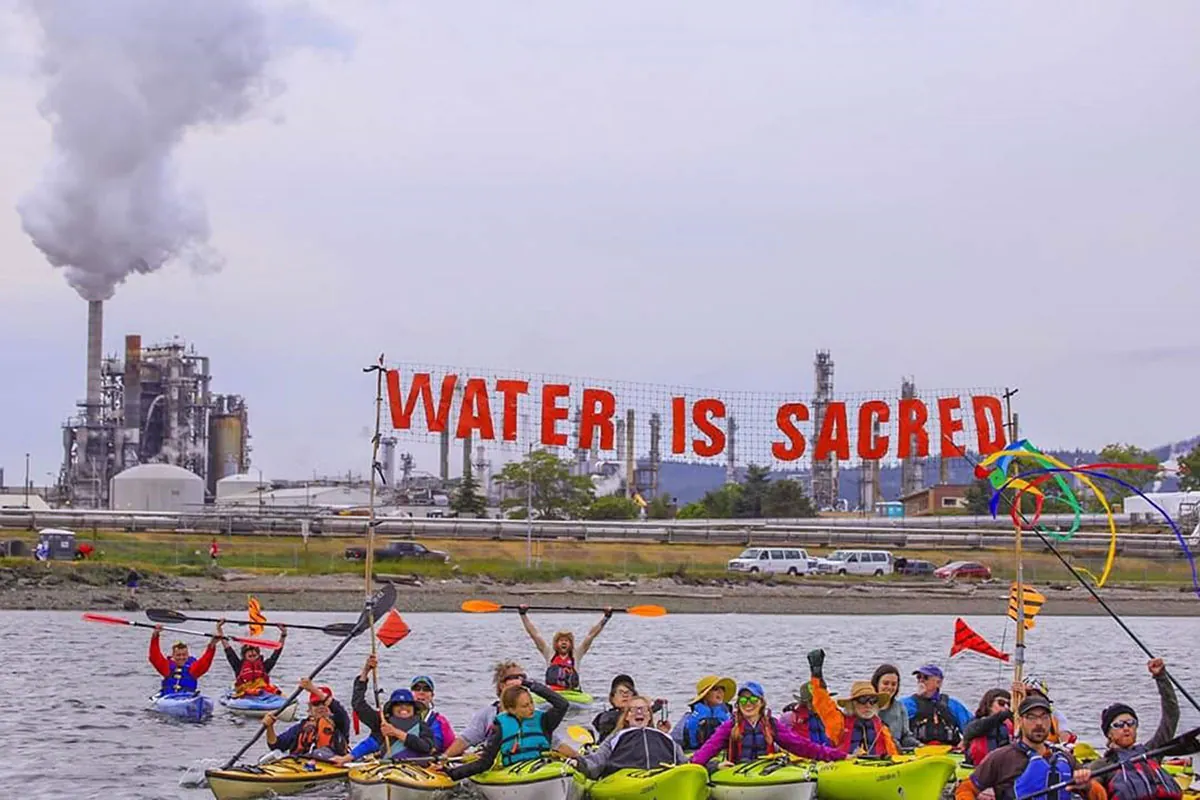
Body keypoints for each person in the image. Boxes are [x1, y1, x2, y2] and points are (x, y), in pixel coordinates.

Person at [955, 695, 1104, 800]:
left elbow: (1100, 796)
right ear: (1020, 722)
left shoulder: (1065, 758)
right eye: (1032, 717)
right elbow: (965, 789)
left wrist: (1087, 787)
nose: (1039, 723)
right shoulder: (1001, 757)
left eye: (1044, 717)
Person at [1085, 658, 1181, 800]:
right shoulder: (1101, 766)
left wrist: (1161, 677)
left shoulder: (1152, 751)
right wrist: (1084, 783)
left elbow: (1171, 715)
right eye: (1118, 725)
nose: (1126, 728)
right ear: (1109, 734)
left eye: (1131, 723)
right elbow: (1088, 792)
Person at [689, 682, 846, 767]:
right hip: (738, 774)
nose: (748, 704)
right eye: (743, 700)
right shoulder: (730, 727)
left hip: (767, 771)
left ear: (762, 702)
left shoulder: (771, 725)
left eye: (753, 700)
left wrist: (840, 756)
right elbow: (706, 751)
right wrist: (714, 766)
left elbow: (802, 746)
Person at [439, 679, 570, 781]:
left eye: (531, 703)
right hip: (513, 772)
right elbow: (485, 763)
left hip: (543, 767)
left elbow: (562, 704)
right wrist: (451, 773)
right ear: (512, 709)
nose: (531, 708)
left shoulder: (544, 721)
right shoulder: (501, 727)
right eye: (525, 706)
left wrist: (528, 684)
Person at [348, 661, 456, 758]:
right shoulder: (384, 721)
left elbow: (428, 747)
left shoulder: (431, 724)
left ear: (432, 695)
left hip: (423, 768)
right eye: (417, 689)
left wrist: (396, 733)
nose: (403, 707)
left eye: (426, 689)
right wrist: (366, 671)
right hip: (388, 769)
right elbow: (358, 705)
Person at [572, 694, 689, 778]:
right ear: (627, 717)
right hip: (626, 777)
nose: (639, 712)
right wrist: (580, 763)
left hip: (661, 775)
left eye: (644, 709)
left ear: (649, 716)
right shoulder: (616, 737)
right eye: (633, 709)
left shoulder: (664, 737)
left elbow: (683, 762)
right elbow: (597, 761)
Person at [441, 660, 530, 759]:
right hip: (495, 763)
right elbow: (465, 740)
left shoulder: (534, 711)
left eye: (523, 678)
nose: (520, 681)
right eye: (514, 678)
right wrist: (444, 757)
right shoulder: (487, 714)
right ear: (502, 685)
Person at [518, 603, 611, 691]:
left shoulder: (577, 654)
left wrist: (606, 617)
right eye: (561, 640)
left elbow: (591, 635)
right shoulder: (549, 653)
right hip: (553, 692)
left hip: (572, 693)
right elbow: (534, 634)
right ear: (556, 643)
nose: (564, 643)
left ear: (571, 644)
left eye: (566, 641)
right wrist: (523, 614)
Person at [263, 679, 351, 761]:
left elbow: (340, 711)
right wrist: (269, 727)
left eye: (324, 703)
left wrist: (313, 689)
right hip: (301, 766)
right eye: (316, 704)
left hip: (330, 764)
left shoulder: (339, 723)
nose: (321, 707)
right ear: (310, 709)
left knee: (317, 753)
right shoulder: (301, 727)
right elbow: (276, 745)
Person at [902, 664, 972, 746]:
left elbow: (971, 727)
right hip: (918, 751)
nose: (921, 680)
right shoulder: (908, 703)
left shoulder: (952, 705)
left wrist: (964, 742)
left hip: (949, 751)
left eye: (925, 677)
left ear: (938, 682)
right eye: (919, 677)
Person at [216, 619, 286, 697]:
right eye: (250, 656)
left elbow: (277, 652)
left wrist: (283, 634)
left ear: (258, 655)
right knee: (252, 691)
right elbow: (228, 649)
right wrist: (219, 628)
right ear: (244, 656)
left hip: (263, 691)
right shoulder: (238, 665)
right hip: (245, 691)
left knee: (274, 690)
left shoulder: (265, 666)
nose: (253, 658)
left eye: (254, 656)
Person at [149, 625, 218, 695]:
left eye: (184, 655)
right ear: (173, 656)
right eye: (178, 655)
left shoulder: (192, 669)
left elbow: (205, 661)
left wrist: (212, 644)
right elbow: (155, 656)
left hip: (187, 698)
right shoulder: (167, 668)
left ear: (188, 655)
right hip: (168, 698)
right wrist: (155, 635)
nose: (181, 657)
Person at [672, 675, 735, 751]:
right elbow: (673, 742)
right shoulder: (688, 719)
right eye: (715, 689)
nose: (720, 692)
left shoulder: (731, 716)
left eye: (722, 689)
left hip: (724, 753)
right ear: (705, 695)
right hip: (695, 753)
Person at [836, 681, 899, 757]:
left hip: (878, 765)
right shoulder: (839, 724)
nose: (868, 705)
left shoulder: (883, 728)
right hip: (847, 765)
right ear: (852, 704)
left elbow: (893, 753)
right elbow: (825, 706)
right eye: (862, 700)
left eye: (873, 701)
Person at [871, 663, 921, 749]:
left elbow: (906, 736)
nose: (889, 687)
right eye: (885, 683)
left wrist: (919, 745)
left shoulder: (900, 707)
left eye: (893, 684)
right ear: (876, 684)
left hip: (896, 752)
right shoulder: (866, 706)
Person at [963, 688, 1013, 767]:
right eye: (1001, 703)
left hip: (1002, 766)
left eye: (1009, 705)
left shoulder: (1009, 724)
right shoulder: (975, 724)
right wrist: (1006, 714)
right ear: (989, 705)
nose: (1006, 707)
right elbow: (982, 726)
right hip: (978, 767)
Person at [1022, 676, 1078, 745]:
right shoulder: (1014, 713)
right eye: (1028, 694)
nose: (1031, 698)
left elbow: (1064, 733)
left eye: (1035, 694)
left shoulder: (1055, 715)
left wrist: (1063, 745)